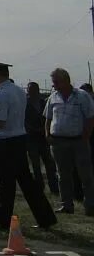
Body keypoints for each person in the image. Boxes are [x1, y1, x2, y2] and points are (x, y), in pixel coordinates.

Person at [0, 60, 56, 230]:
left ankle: (2, 220)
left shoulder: (2, 94)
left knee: (6, 183)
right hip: (19, 138)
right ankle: (45, 217)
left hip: (6, 141)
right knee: (26, 181)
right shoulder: (17, 90)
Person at [44, 68, 94, 216]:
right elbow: (47, 118)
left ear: (66, 80)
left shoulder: (82, 96)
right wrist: (47, 133)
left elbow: (90, 118)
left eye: (56, 82)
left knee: (85, 175)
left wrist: (85, 137)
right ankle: (67, 205)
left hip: (79, 141)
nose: (54, 85)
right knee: (63, 175)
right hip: (58, 142)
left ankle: (90, 205)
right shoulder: (53, 97)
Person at [25, 82, 58, 193]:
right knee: (36, 165)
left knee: (49, 164)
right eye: (30, 90)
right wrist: (34, 129)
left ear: (38, 90)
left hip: (44, 138)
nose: (32, 92)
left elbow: (49, 118)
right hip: (31, 138)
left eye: (34, 89)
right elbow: (23, 121)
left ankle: (54, 186)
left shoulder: (43, 102)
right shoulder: (25, 104)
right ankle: (39, 187)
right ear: (28, 91)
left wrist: (45, 130)